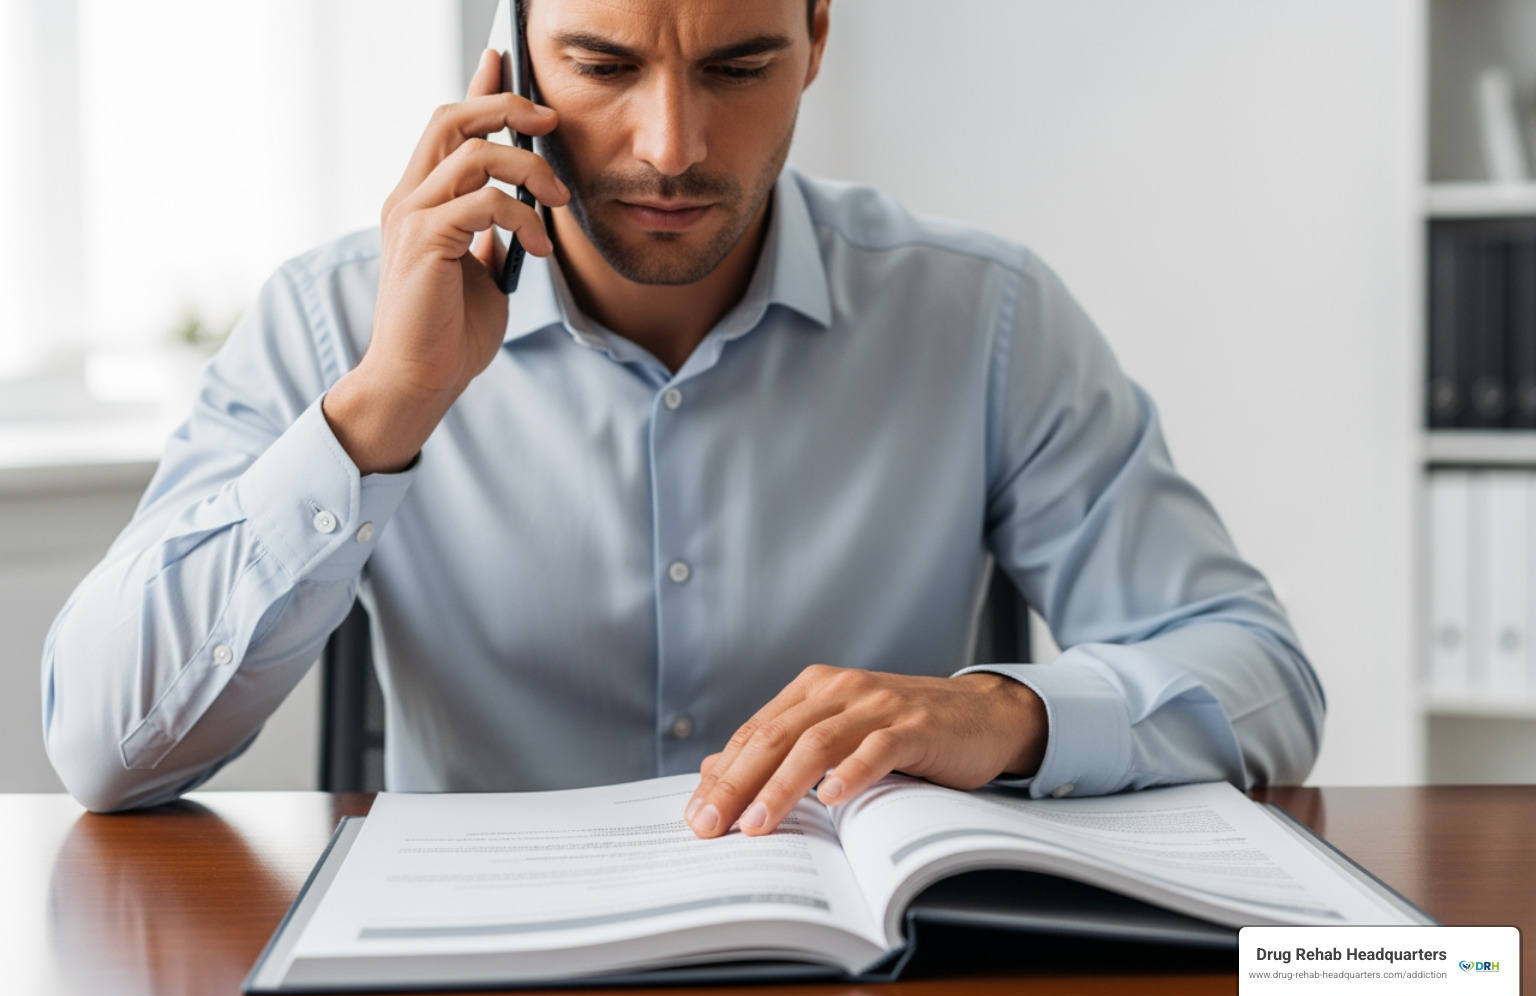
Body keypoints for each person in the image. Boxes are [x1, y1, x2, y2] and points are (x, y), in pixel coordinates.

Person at [42, 0, 1323, 832]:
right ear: (515, 54)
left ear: (820, 34)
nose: (670, 144)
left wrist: (1011, 713)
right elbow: (102, 747)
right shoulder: (338, 320)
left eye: (740, 65)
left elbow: (1255, 672)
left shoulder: (982, 316)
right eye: (604, 64)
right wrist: (384, 408)